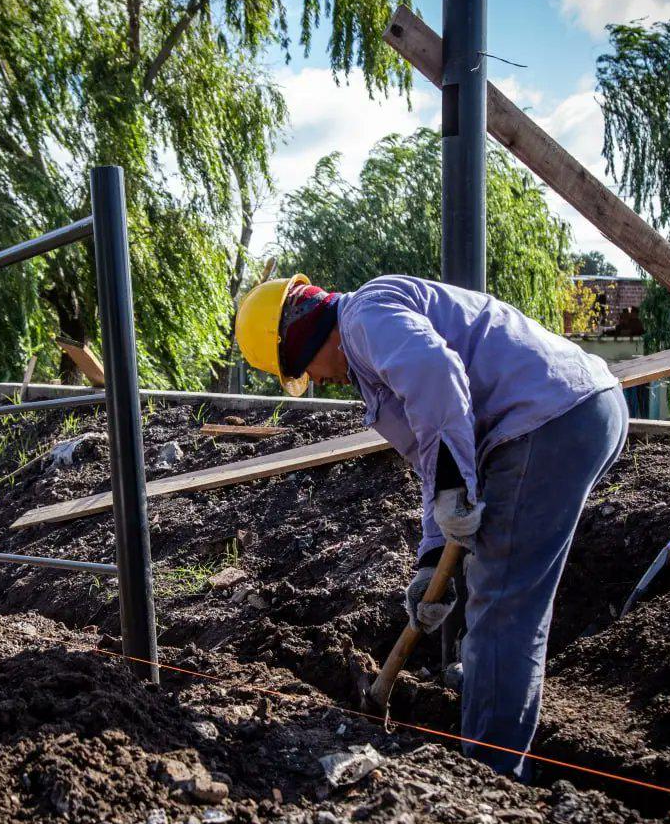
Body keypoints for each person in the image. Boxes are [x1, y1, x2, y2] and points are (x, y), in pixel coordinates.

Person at [234, 273, 628, 779]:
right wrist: (431, 556)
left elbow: (437, 374)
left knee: (503, 605)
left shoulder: (365, 318)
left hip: (548, 421)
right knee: (500, 593)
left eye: (301, 369)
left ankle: (491, 775)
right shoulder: (370, 349)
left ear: (302, 342)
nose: (316, 378)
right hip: (571, 409)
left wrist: (452, 487)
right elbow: (432, 454)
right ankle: (488, 703)